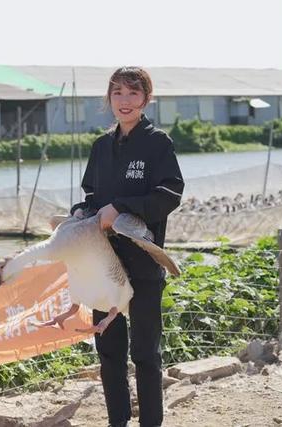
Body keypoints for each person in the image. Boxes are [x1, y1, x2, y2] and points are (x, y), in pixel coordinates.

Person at [70, 66, 184, 427]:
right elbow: (91, 196)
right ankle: (117, 421)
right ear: (109, 98)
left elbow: (170, 194)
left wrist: (122, 207)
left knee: (146, 354)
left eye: (133, 93)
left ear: (146, 99)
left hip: (144, 264)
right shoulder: (101, 146)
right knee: (109, 352)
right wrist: (80, 212)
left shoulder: (158, 143)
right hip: (103, 266)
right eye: (117, 92)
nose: (125, 101)